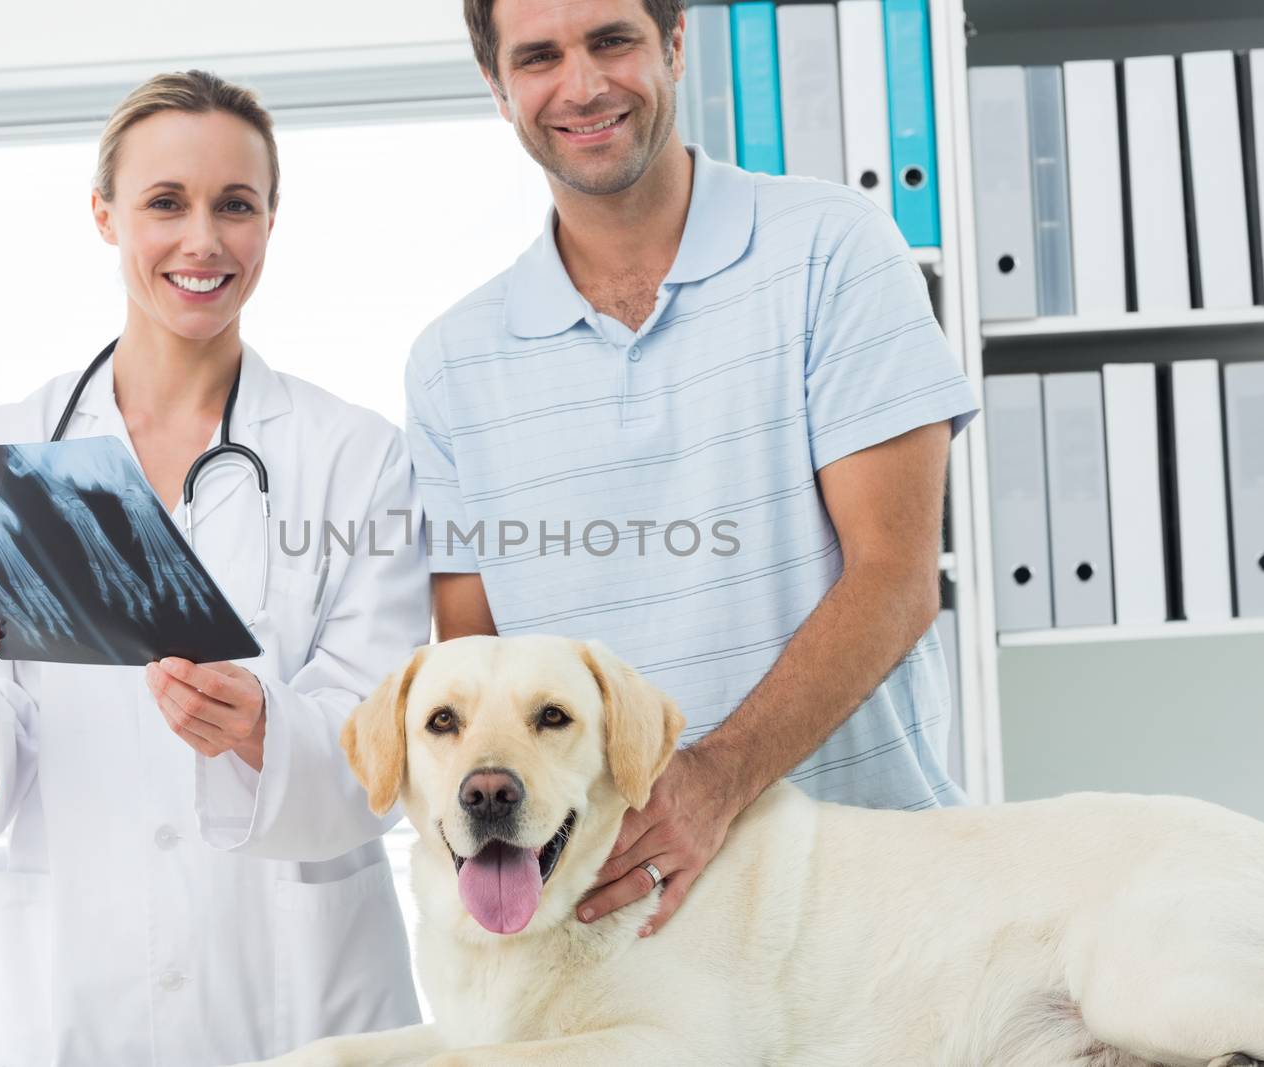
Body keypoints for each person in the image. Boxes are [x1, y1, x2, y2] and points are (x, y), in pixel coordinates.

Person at [405, 0, 979, 941]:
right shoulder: (450, 364)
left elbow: (896, 577)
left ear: (674, 43)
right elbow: (477, 665)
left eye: (613, 41)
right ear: (497, 85)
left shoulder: (835, 250)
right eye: (540, 56)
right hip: (619, 934)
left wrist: (714, 782)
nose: (583, 86)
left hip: (870, 903)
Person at [0, 71, 425, 1066]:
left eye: (236, 204)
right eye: (165, 203)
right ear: (104, 215)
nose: (203, 241)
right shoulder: (4, 458)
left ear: (271, 220)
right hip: (82, 998)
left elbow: (381, 749)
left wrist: (264, 727)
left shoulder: (356, 456)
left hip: (307, 1000)